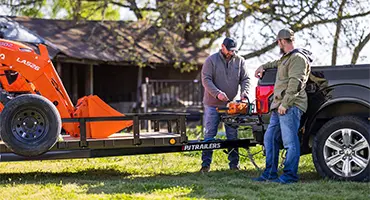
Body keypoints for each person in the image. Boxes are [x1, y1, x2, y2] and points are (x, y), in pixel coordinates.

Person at [253, 28, 313, 183]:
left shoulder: (298, 58)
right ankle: (269, 174)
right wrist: (263, 66)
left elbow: (296, 83)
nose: (278, 44)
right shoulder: (287, 58)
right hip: (278, 106)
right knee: (270, 138)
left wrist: (285, 104)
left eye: (278, 42)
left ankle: (290, 175)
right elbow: (276, 63)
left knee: (290, 142)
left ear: (281, 41)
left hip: (290, 106)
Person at [200, 37, 250, 172]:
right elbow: (206, 80)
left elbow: (245, 79)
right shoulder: (211, 61)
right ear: (222, 47)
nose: (231, 53)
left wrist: (245, 93)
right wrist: (217, 93)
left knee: (232, 135)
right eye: (229, 50)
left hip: (231, 105)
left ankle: (234, 165)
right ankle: (205, 165)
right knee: (210, 134)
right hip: (212, 105)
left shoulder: (240, 61)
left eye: (233, 51)